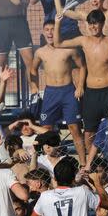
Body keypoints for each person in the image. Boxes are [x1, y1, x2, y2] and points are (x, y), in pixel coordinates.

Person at [55, 5, 108, 157]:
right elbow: (58, 44)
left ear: (102, 24)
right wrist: (57, 23)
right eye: (90, 24)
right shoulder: (84, 41)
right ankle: (94, 164)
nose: (93, 27)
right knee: (89, 130)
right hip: (91, 93)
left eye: (96, 23)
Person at [30, 20, 86, 164]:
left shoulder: (69, 49)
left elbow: (82, 67)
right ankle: (45, 163)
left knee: (74, 128)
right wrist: (34, 86)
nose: (49, 32)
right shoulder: (40, 52)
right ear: (43, 32)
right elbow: (32, 69)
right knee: (46, 129)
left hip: (68, 92)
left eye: (52, 29)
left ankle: (83, 163)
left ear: (58, 32)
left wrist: (80, 86)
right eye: (47, 29)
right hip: (50, 93)